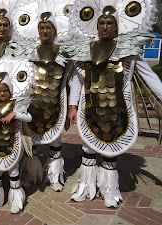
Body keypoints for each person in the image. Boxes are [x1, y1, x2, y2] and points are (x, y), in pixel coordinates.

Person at [68, 0, 162, 208]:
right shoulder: (85, 50)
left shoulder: (129, 51)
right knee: (88, 149)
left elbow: (151, 78)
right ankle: (86, 187)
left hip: (119, 109)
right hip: (89, 107)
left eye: (109, 22)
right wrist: (73, 106)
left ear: (117, 25)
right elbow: (76, 80)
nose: (104, 26)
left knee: (111, 149)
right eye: (101, 22)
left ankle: (110, 190)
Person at [7, 0, 77, 191]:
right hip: (32, 105)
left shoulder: (64, 53)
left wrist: (72, 106)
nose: (45, 31)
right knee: (31, 142)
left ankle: (54, 175)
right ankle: (31, 173)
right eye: (42, 27)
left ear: (54, 30)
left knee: (55, 141)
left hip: (55, 104)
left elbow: (72, 80)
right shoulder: (28, 51)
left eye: (48, 27)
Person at [0, 64, 34, 214]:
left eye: (5, 91)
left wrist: (15, 115)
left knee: (14, 172)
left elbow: (29, 117)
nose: (2, 94)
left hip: (14, 143)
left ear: (10, 91)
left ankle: (16, 200)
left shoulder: (16, 104)